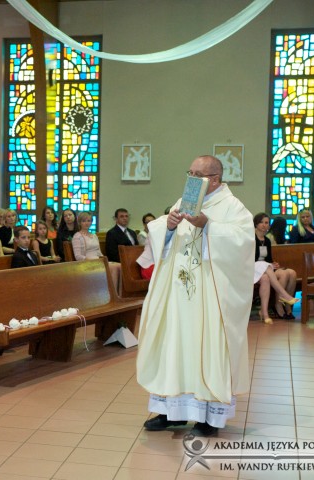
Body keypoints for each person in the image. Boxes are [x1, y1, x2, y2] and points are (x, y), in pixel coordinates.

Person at [138, 155, 253, 438]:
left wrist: (208, 226)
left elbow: (243, 242)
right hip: (179, 295)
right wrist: (169, 226)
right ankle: (172, 413)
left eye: (197, 174)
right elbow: (163, 236)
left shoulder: (232, 207)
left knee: (209, 349)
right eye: (189, 172)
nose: (190, 179)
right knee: (173, 348)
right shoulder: (184, 200)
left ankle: (208, 418)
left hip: (211, 298)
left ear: (214, 179)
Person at [253, 213, 299, 323]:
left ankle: (281, 306)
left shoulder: (267, 240)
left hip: (265, 269)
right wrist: (267, 264)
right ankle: (284, 295)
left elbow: (268, 259)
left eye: (266, 223)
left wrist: (273, 264)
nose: (264, 225)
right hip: (252, 268)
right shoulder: (251, 238)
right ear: (256, 224)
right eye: (261, 222)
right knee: (265, 269)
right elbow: (250, 258)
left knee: (289, 273)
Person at [73, 211, 121, 287]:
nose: (87, 223)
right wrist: (93, 261)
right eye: (84, 221)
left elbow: (99, 252)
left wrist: (104, 260)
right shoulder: (77, 236)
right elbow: (78, 256)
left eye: (89, 221)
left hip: (98, 261)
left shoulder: (94, 236)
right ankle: (111, 291)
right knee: (114, 267)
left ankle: (114, 291)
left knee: (118, 265)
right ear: (79, 222)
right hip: (86, 263)